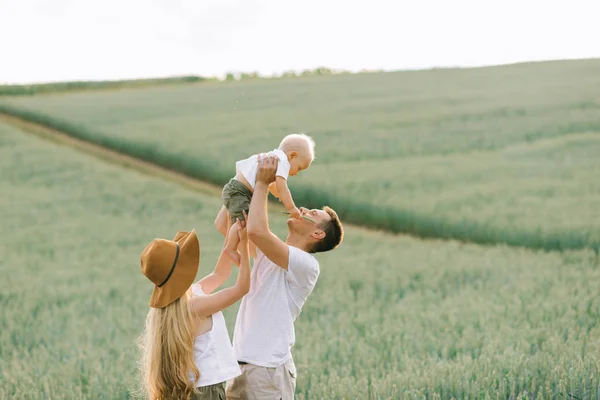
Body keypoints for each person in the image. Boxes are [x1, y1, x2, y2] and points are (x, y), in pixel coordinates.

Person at [225, 154, 344, 400]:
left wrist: (262, 184)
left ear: (318, 233)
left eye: (313, 213)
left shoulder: (307, 265)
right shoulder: (270, 255)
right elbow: (233, 227)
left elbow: (258, 231)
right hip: (239, 365)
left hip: (268, 369)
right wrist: (241, 186)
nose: (303, 209)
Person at [137, 216, 251, 400]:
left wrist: (231, 244)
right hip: (207, 391)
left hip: (195, 389)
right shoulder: (195, 306)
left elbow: (220, 274)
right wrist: (244, 244)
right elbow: (241, 288)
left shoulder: (181, 302)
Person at [215, 133, 316, 266]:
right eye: (299, 168)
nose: (296, 173)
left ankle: (232, 246)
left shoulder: (273, 157)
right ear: (292, 155)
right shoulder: (283, 162)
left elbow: (273, 185)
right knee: (243, 223)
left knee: (242, 221)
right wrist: (291, 207)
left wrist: (278, 195)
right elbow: (282, 187)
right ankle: (231, 247)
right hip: (239, 191)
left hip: (236, 187)